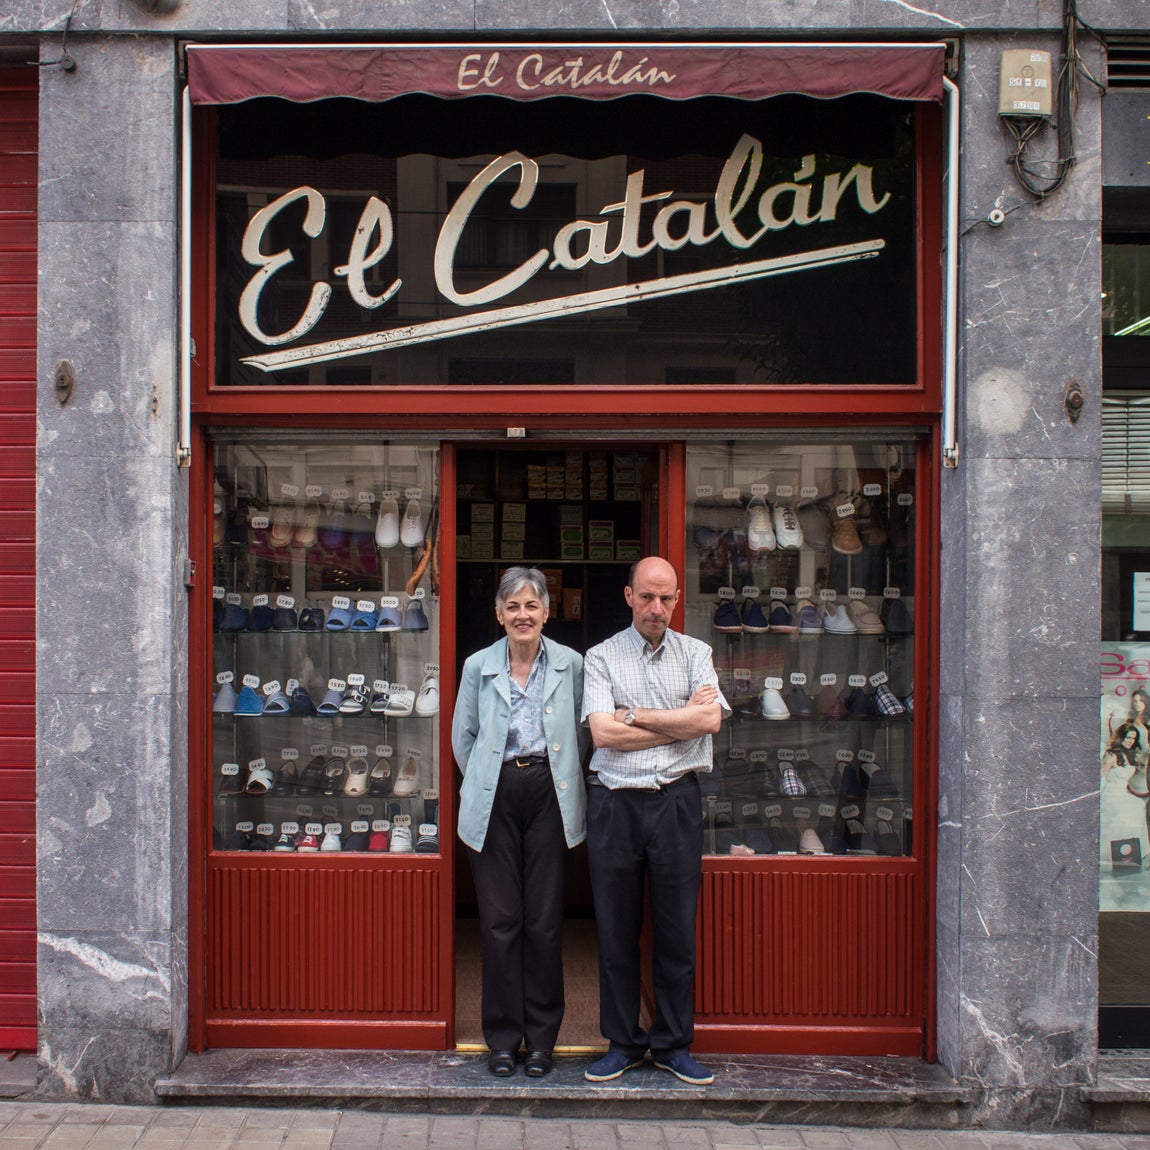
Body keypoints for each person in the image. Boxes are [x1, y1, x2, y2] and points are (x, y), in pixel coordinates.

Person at [580, 556, 729, 1086]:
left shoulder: (696, 653)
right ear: (629, 597)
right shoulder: (601, 657)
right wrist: (678, 723)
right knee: (616, 931)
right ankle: (622, 1043)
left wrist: (634, 714)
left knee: (676, 932)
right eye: (647, 597)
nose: (657, 608)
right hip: (615, 804)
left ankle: (672, 1045)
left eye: (666, 598)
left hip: (676, 802)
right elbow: (603, 734)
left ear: (677, 600)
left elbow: (709, 719)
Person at [452, 567, 587, 1079]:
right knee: (500, 922)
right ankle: (504, 1040)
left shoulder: (572, 664)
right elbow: (463, 737)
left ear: (547, 612)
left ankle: (542, 1041)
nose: (523, 615)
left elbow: (584, 733)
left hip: (552, 793)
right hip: (495, 794)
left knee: (545, 923)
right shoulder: (478, 666)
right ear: (499, 614)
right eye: (513, 606)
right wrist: (490, 777)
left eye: (532, 606)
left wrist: (561, 775)